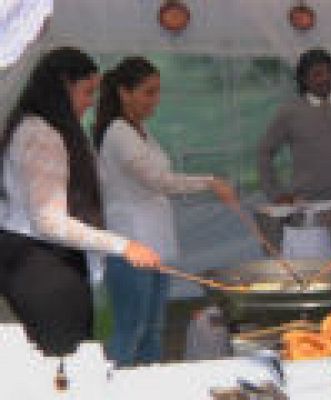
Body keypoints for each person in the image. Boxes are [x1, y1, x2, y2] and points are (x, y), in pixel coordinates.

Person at [0, 47, 161, 357]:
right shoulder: (41, 134)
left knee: (61, 358)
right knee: (66, 362)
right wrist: (124, 246)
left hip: (31, 257)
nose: (91, 102)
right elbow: (47, 220)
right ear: (63, 84)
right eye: (87, 92)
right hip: (40, 264)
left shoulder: (32, 125)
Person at [94, 57, 238, 366]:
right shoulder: (118, 133)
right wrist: (210, 182)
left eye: (157, 92)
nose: (155, 100)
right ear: (124, 92)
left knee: (153, 330)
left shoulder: (140, 132)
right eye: (149, 92)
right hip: (130, 246)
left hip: (155, 246)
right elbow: (156, 180)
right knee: (130, 330)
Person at [258, 48, 331, 204]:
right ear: (303, 79)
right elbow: (264, 152)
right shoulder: (290, 111)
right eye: (317, 74)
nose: (326, 79)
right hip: (305, 204)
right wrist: (275, 194)